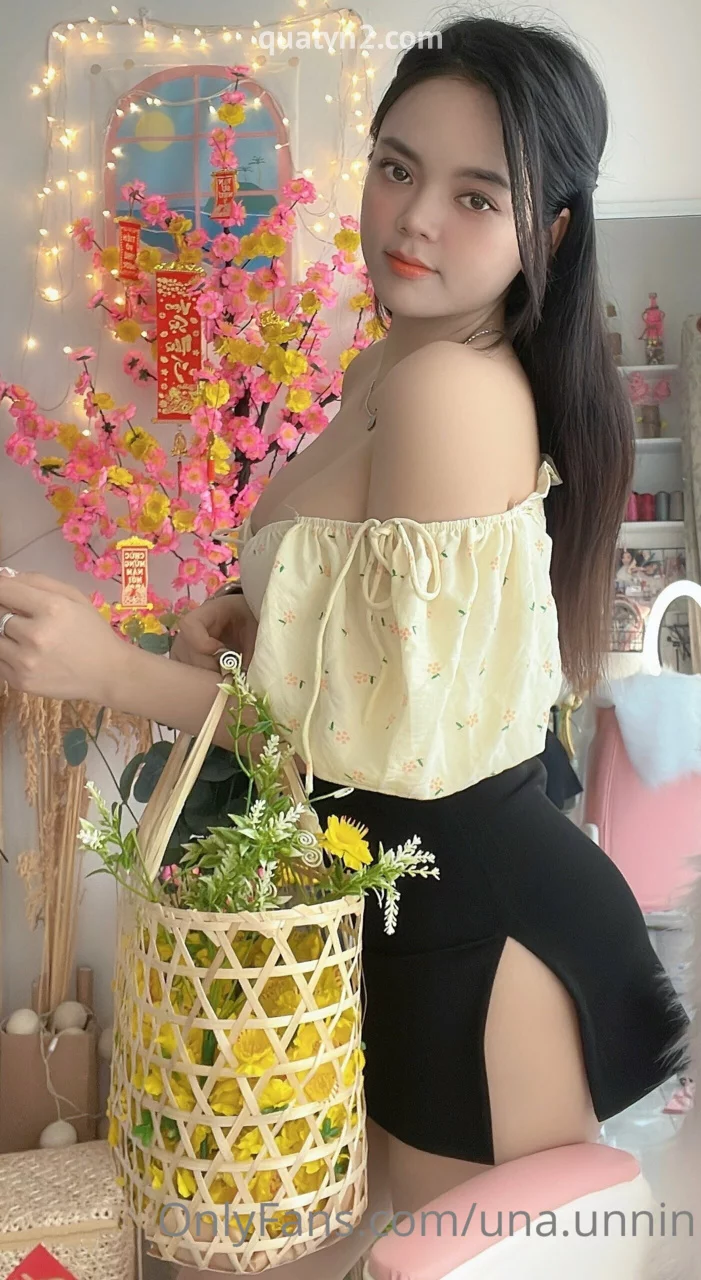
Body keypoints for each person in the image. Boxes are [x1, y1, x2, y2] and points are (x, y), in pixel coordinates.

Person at [0, 14, 689, 1275]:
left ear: (545, 235)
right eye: (394, 168)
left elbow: (370, 750)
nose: (412, 219)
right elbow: (364, 649)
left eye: (474, 196)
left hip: (469, 913)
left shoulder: (448, 388)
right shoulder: (390, 363)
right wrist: (244, 614)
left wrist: (113, 671)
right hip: (394, 889)